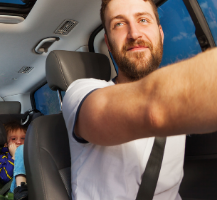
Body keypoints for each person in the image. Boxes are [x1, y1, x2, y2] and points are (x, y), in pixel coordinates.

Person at [63, 0, 217, 199]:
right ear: (108, 43)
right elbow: (153, 109)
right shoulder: (80, 93)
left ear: (160, 34)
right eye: (119, 24)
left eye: (143, 20)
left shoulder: (173, 92)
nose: (134, 34)